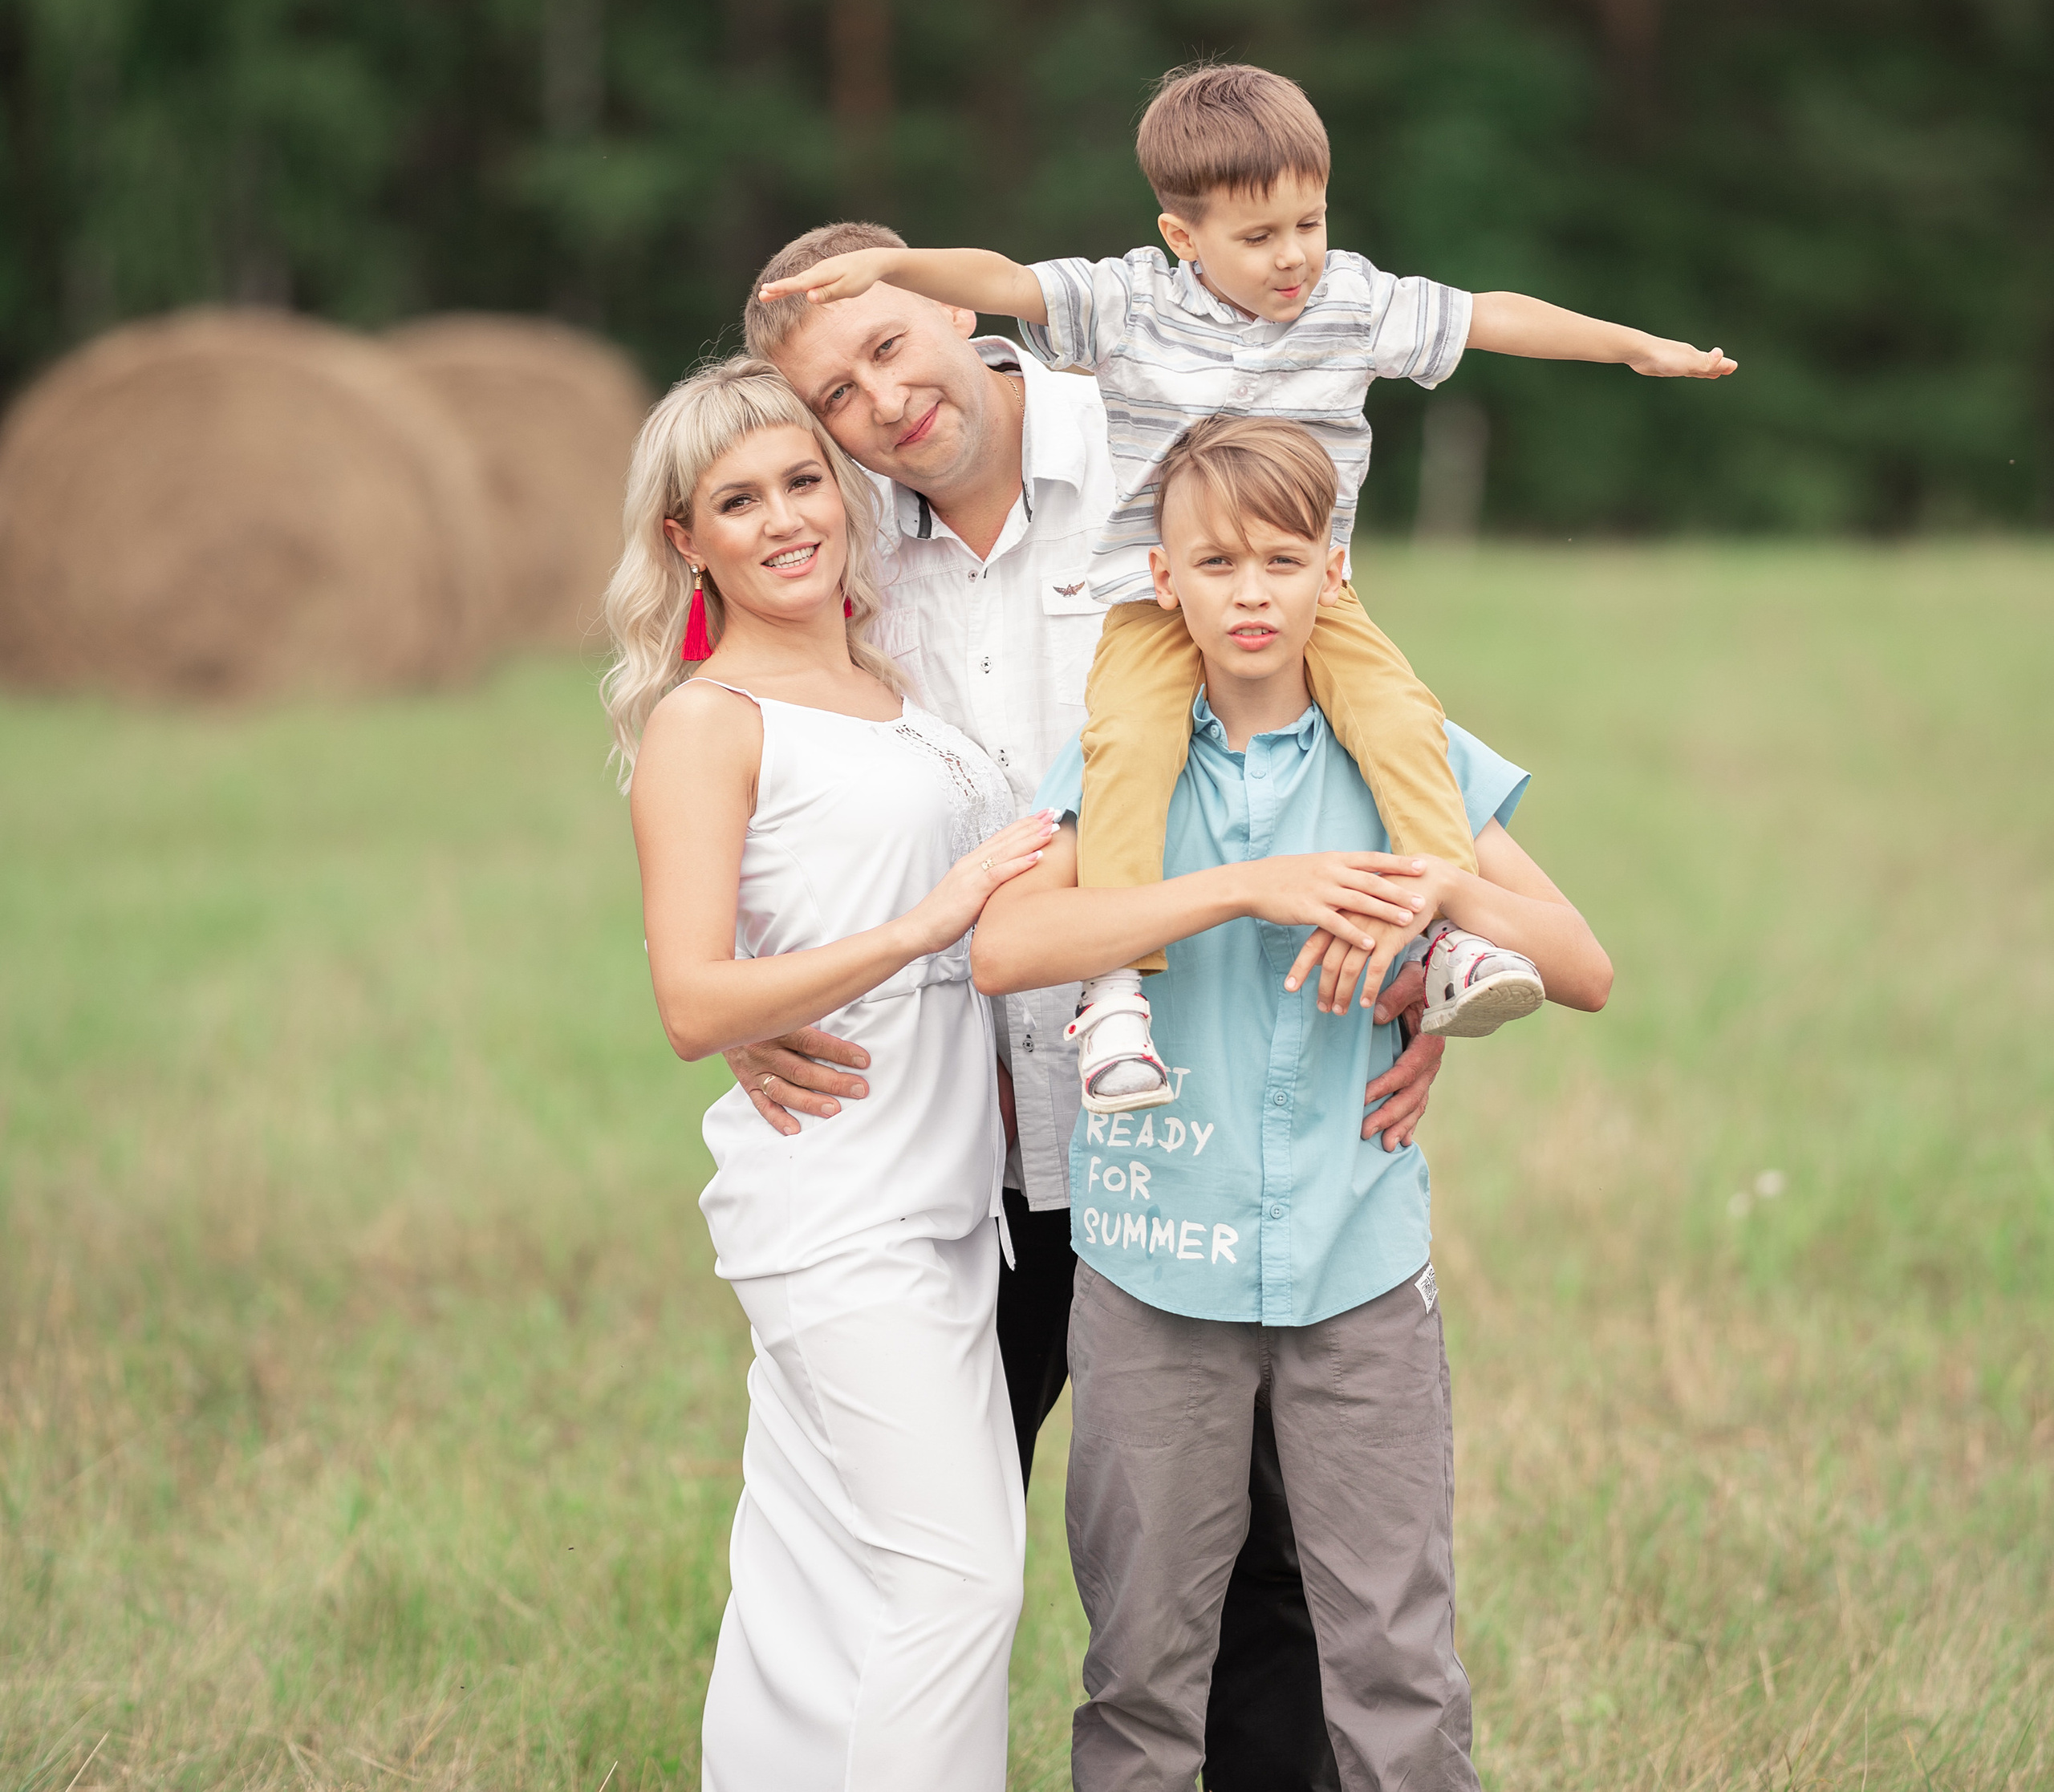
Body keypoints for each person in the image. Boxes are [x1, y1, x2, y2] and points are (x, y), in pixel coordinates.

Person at [737, 218, 1449, 1789]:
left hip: (1202, 1117)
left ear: (957, 305)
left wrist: (1418, 980)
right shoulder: (839, 552)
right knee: (937, 1567)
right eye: (833, 392)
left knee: (1262, 1590)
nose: (879, 399)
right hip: (956, 1148)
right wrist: (734, 989)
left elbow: (1345, 728)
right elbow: (748, 760)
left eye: (887, 342)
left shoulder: (1161, 452)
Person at [759, 60, 1720, 1113]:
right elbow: (1005, 280)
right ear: (1185, 236)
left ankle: (1446, 938)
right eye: (1261, 238)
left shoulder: (1319, 320)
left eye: (1308, 222)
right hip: (1147, 633)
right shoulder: (1112, 322)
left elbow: (1488, 316)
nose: (1294, 255)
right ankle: (1114, 990)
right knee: (1125, 739)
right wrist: (899, 266)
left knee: (1399, 716)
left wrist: (1634, 345)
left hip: (1306, 678)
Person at [971, 415, 1615, 1792]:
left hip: (1357, 1268)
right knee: (1143, 1666)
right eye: (1217, 562)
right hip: (1151, 1272)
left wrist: (1444, 887)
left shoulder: (1409, 760)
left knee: (1393, 1657)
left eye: (1281, 557)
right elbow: (1004, 950)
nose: (1250, 590)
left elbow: (1586, 966)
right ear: (1167, 581)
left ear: (1335, 570)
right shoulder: (1124, 766)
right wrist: (1249, 888)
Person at [600, 355, 1059, 1790]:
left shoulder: (889, 682)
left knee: (816, 1578)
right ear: (687, 541)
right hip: (837, 1202)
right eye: (738, 500)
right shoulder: (709, 720)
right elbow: (693, 998)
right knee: (958, 1581)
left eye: (805, 480)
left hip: (949, 1197)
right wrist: (929, 920)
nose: (786, 518)